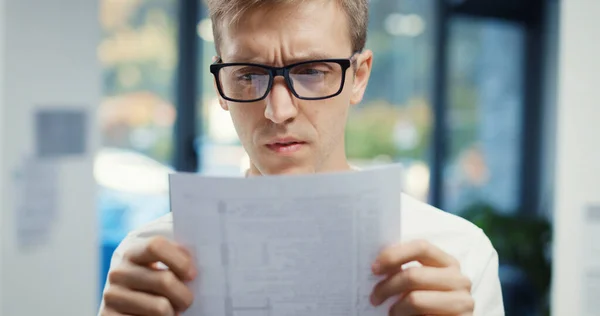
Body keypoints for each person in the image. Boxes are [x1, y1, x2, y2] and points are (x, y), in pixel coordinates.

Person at [98, 0, 505, 315]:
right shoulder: (152, 266)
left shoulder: (458, 256)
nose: (279, 110)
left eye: (312, 71)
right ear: (221, 87)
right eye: (248, 74)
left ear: (358, 77)